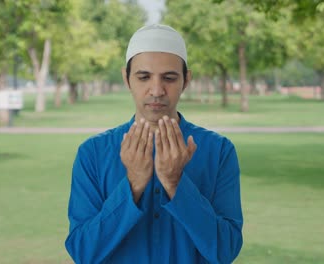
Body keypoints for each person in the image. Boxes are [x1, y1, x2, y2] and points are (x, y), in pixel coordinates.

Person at [65, 24, 243, 263]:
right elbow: (83, 252)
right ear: (127, 79)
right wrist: (133, 184)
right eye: (144, 77)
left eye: (169, 78)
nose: (157, 90)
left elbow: (225, 251)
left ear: (186, 80)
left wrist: (175, 183)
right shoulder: (93, 153)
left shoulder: (219, 151)